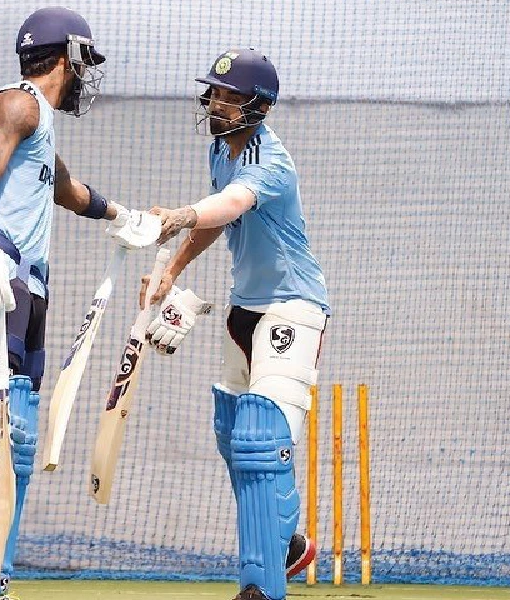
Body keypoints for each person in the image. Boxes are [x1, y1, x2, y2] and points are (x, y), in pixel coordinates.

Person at [0, 7, 157, 600]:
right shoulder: (17, 104)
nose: (87, 75)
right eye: (85, 61)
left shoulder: (42, 123)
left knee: (17, 429)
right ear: (69, 58)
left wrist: (123, 218)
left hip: (27, 286)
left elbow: (65, 190)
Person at [142, 48, 329, 600]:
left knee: (259, 439)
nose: (215, 102)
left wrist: (179, 215)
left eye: (227, 95)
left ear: (259, 105)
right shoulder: (221, 151)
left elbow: (229, 204)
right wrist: (170, 271)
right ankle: (289, 542)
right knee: (231, 433)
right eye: (214, 92)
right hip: (241, 309)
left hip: (292, 305)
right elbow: (217, 219)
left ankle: (260, 585)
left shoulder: (272, 162)